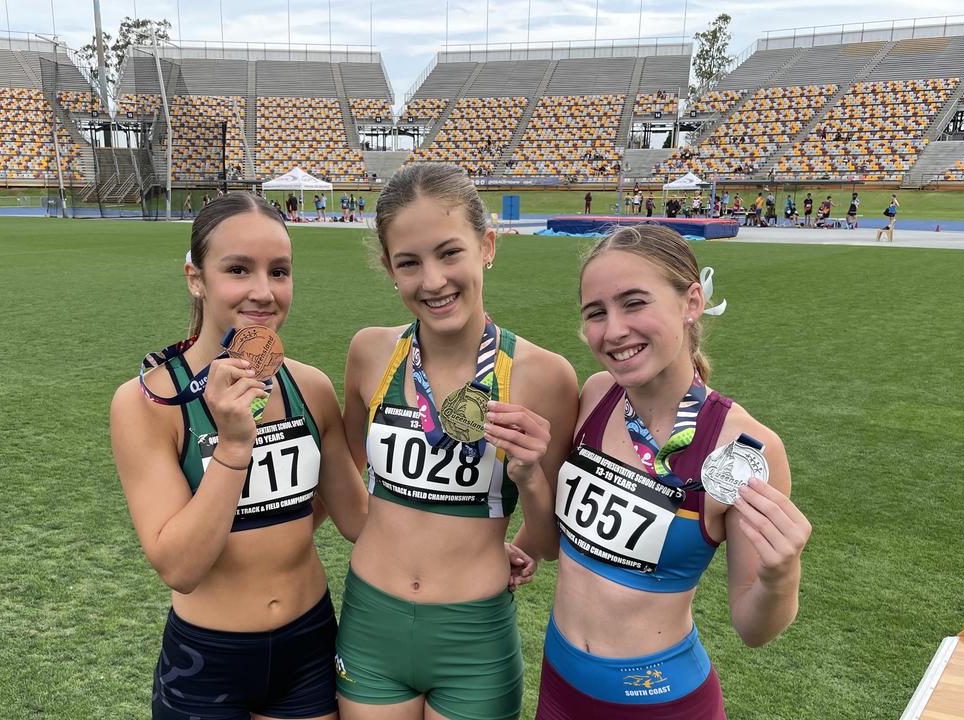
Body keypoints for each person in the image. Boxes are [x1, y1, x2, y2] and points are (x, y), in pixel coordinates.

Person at [528, 224, 811, 719]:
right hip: (558, 687)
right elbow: (568, 540)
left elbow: (753, 628)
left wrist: (781, 575)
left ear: (691, 302)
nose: (613, 330)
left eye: (635, 303)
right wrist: (526, 528)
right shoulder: (596, 396)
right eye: (596, 313)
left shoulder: (744, 448)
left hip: (660, 703)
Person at [110, 192, 369, 720]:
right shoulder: (148, 403)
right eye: (238, 269)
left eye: (279, 271)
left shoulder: (310, 387)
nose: (263, 292)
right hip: (207, 661)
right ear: (195, 278)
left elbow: (358, 520)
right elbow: (181, 566)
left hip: (309, 648)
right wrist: (232, 447)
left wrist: (470, 545)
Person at [336, 162, 579, 720]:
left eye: (450, 253)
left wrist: (530, 481)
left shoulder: (546, 376)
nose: (433, 281)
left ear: (487, 246)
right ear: (389, 270)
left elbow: (547, 542)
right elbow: (352, 464)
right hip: (371, 623)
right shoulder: (369, 354)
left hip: (476, 637)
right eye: (409, 263)